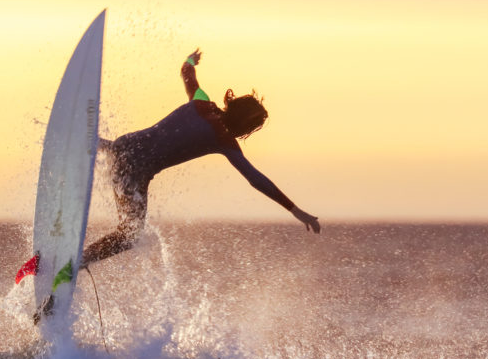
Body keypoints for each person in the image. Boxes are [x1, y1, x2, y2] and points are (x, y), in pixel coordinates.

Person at [81, 48, 320, 268]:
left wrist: (190, 61)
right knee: (129, 235)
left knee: (117, 152)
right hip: (135, 171)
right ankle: (79, 261)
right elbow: (255, 178)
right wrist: (295, 210)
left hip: (124, 145)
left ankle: (88, 143)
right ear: (247, 128)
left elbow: (187, 73)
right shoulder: (224, 140)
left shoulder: (201, 100)